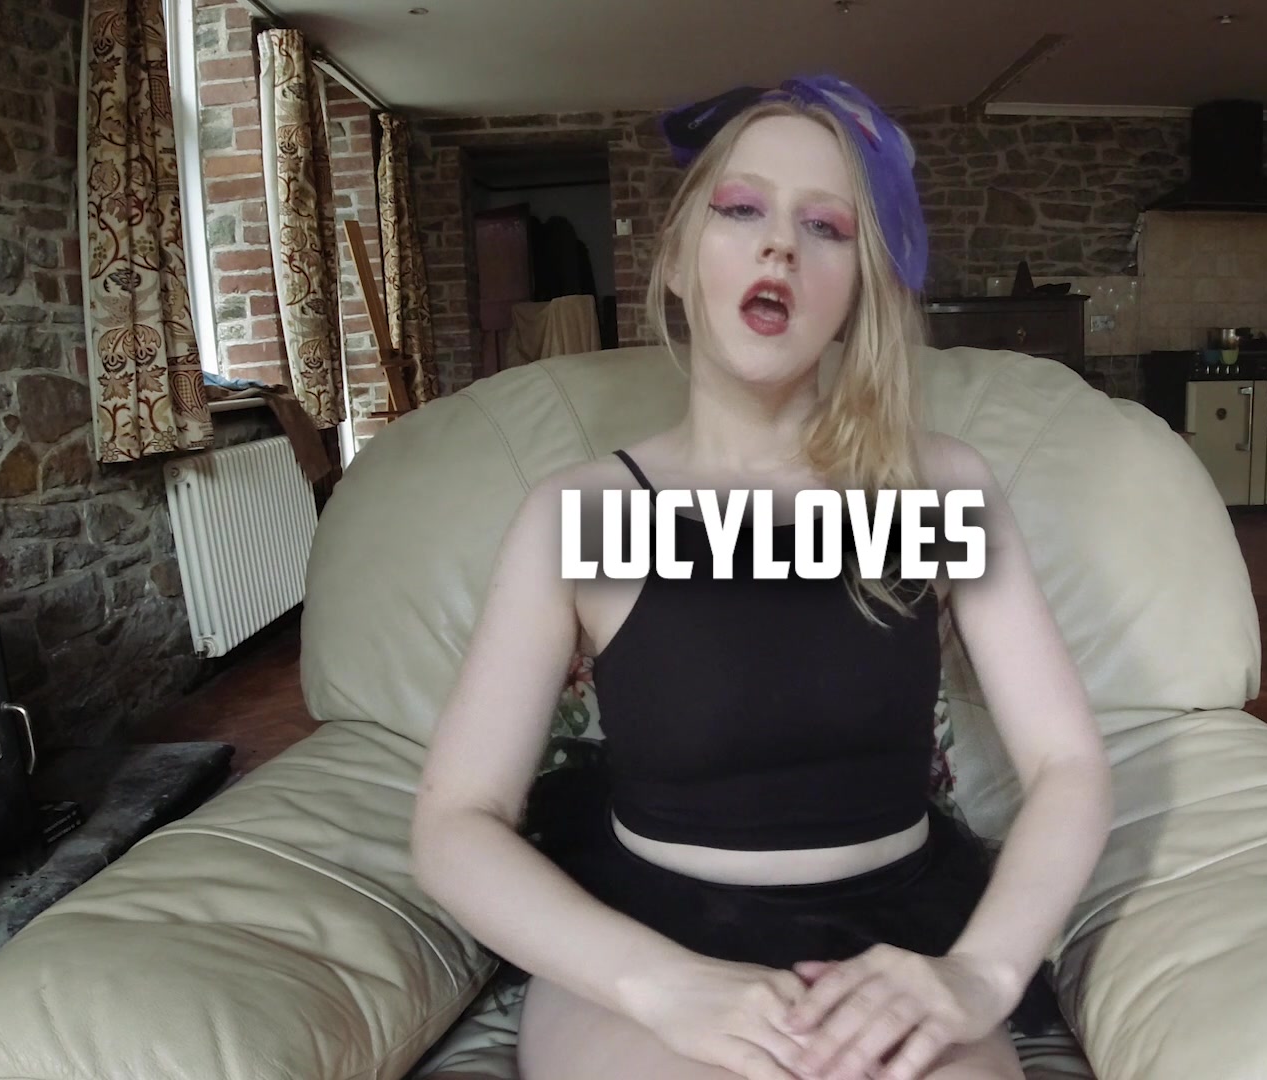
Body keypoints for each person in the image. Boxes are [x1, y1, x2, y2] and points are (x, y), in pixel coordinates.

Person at [410, 74, 1114, 1080]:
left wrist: (981, 973)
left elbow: (1068, 766)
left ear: (858, 287)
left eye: (825, 226)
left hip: (898, 941)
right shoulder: (586, 515)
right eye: (742, 209)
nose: (780, 244)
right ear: (676, 259)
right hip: (650, 938)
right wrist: (661, 984)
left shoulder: (937, 490)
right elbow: (455, 821)